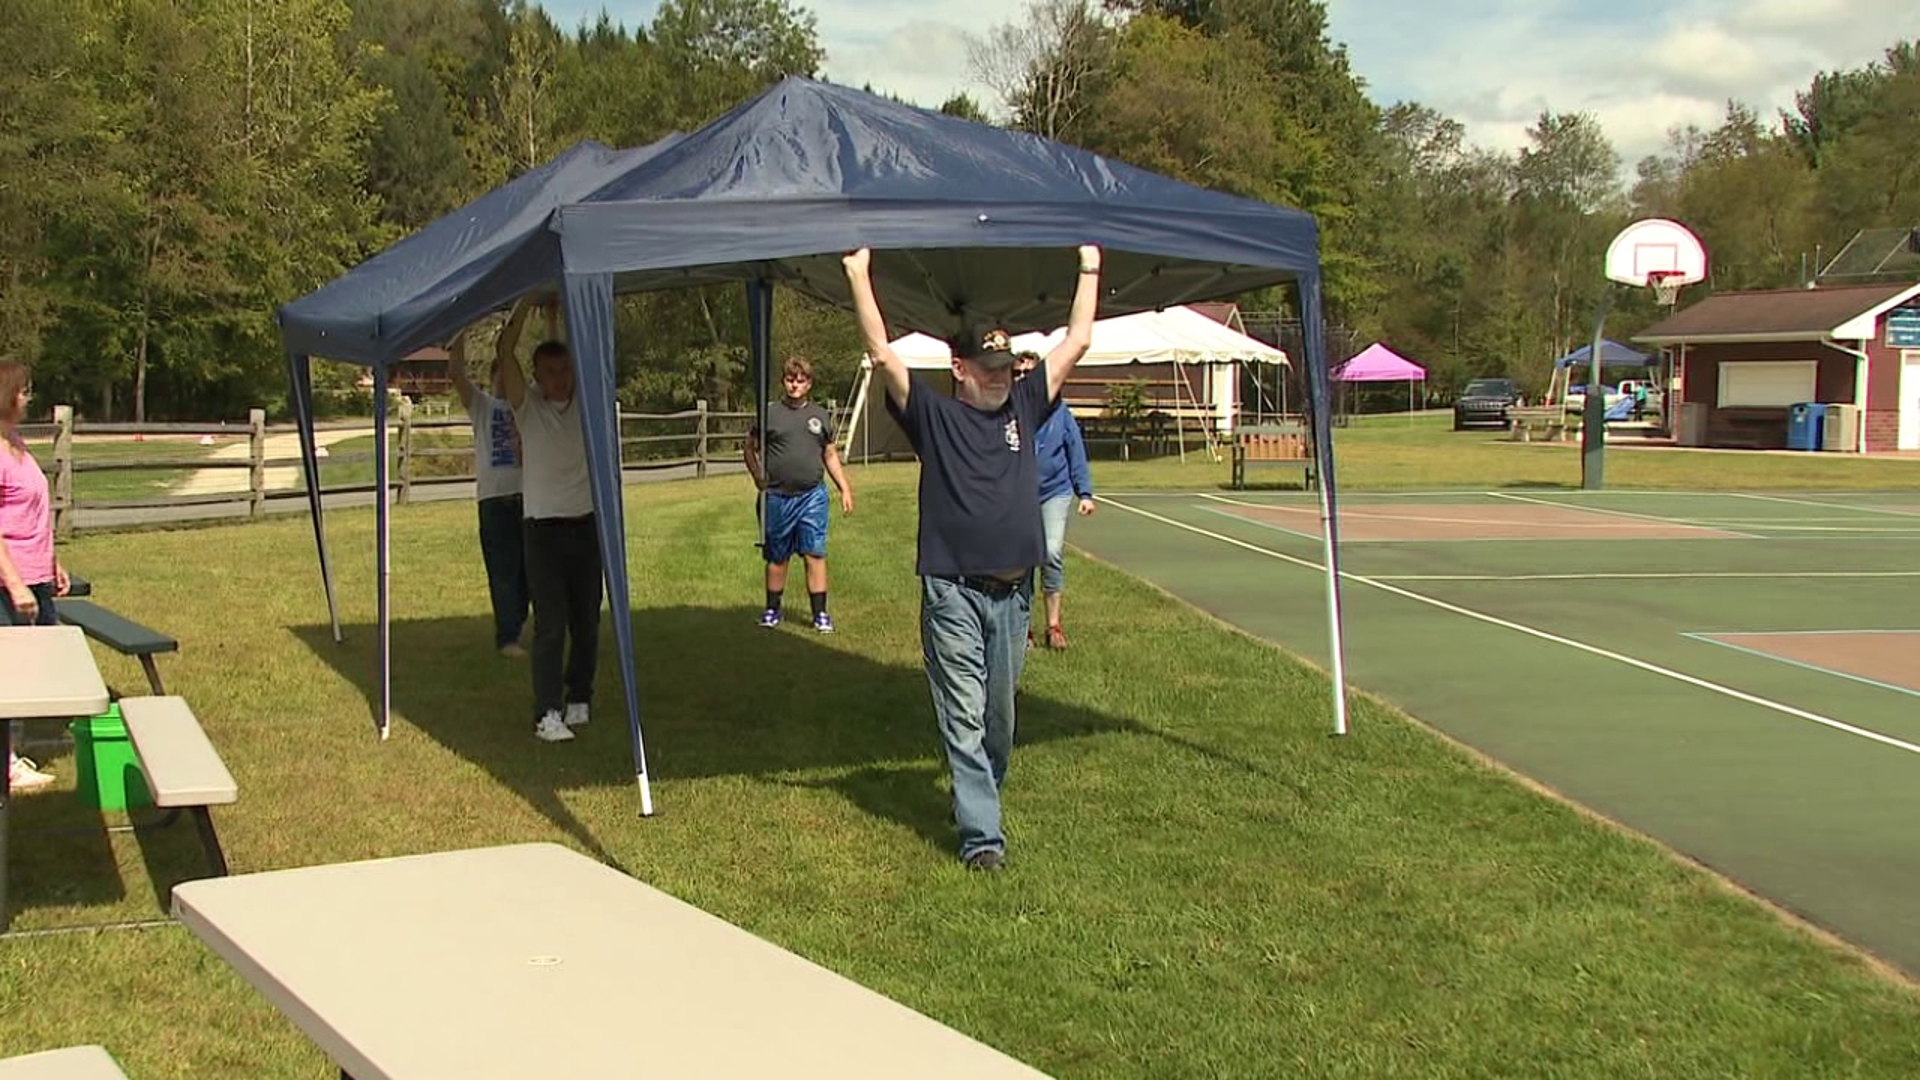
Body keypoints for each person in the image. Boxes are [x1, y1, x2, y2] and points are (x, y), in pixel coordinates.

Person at [845, 243, 1102, 871]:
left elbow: (1077, 342)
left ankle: (976, 794)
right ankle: (983, 839)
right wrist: (859, 274)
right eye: (987, 366)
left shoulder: (1025, 404)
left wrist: (1089, 266)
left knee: (1000, 721)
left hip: (1013, 596)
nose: (1000, 374)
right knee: (963, 715)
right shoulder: (932, 416)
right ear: (958, 367)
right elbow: (883, 353)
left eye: (1006, 365)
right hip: (952, 591)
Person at [492, 297, 602, 744]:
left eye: (565, 372)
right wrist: (523, 309)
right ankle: (547, 712)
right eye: (550, 373)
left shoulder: (584, 403)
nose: (560, 380)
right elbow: (504, 354)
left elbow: (584, 344)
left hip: (586, 526)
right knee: (551, 624)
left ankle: (579, 696)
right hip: (542, 530)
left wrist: (558, 315)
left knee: (588, 621)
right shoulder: (528, 406)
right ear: (536, 377)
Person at [744, 356, 855, 632]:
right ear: (783, 382)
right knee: (777, 557)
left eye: (800, 380)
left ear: (809, 383)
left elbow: (829, 453)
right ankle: (772, 610)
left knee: (814, 553)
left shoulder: (819, 416)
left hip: (811, 496)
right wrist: (758, 475)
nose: (795, 385)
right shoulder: (769, 413)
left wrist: (844, 486)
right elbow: (750, 447)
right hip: (777, 497)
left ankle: (820, 614)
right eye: (790, 379)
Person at [0, 361, 68, 792]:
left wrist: (53, 562)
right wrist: (15, 582)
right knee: (7, 675)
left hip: (37, 572)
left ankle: (13, 749)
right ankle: (6, 764)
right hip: (10, 582)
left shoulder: (16, 442)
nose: (29, 397)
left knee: (34, 670)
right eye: (24, 391)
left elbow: (33, 512)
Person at [448, 317, 529, 659]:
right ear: (494, 377)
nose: (504, 383)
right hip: (494, 501)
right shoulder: (482, 406)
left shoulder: (526, 408)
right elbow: (457, 374)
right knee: (502, 570)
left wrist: (552, 320)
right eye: (500, 376)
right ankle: (507, 637)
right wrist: (462, 328)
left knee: (527, 569)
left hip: (526, 498)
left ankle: (519, 624)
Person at [1013, 350, 1095, 650]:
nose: (1022, 379)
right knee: (1021, 561)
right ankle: (1023, 628)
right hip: (1019, 495)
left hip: (1054, 493)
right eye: (1017, 374)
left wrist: (1084, 493)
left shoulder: (1061, 414)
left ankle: (1053, 624)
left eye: (1029, 374)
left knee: (1050, 552)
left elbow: (1076, 454)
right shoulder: (1010, 411)